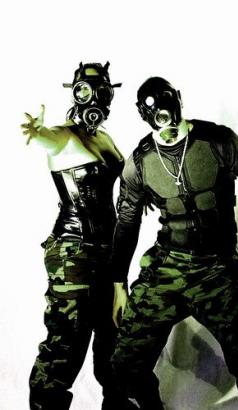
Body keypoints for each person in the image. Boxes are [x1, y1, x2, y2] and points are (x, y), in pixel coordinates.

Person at [110, 77, 238, 409]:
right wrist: (118, 284)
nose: (163, 119)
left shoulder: (217, 140)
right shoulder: (139, 163)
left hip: (216, 268)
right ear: (142, 114)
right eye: (153, 112)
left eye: (166, 105)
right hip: (167, 266)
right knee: (125, 364)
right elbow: (127, 222)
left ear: (177, 99)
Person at [21, 62, 125, 410]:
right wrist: (37, 132)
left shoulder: (105, 138)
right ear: (75, 94)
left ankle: (117, 402)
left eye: (102, 92)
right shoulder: (64, 136)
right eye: (84, 91)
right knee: (68, 337)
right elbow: (47, 138)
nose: (93, 98)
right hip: (73, 252)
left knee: (113, 332)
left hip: (107, 251)